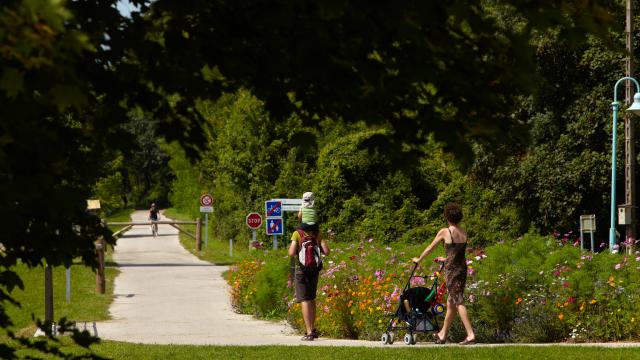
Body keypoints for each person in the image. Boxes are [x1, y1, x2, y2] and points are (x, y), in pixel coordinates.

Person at [411, 202, 476, 345]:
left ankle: (470, 334)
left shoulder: (445, 231)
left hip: (452, 270)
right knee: (451, 302)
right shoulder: (463, 232)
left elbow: (430, 247)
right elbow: (457, 253)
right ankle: (442, 334)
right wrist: (445, 258)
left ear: (447, 216)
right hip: (462, 268)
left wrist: (419, 259)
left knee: (458, 300)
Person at [288, 226, 330, 341]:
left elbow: (291, 253)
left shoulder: (297, 233)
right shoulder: (317, 233)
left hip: (301, 270)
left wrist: (294, 245)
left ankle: (309, 332)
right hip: (314, 270)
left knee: (304, 299)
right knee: (311, 298)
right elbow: (327, 252)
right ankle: (312, 328)